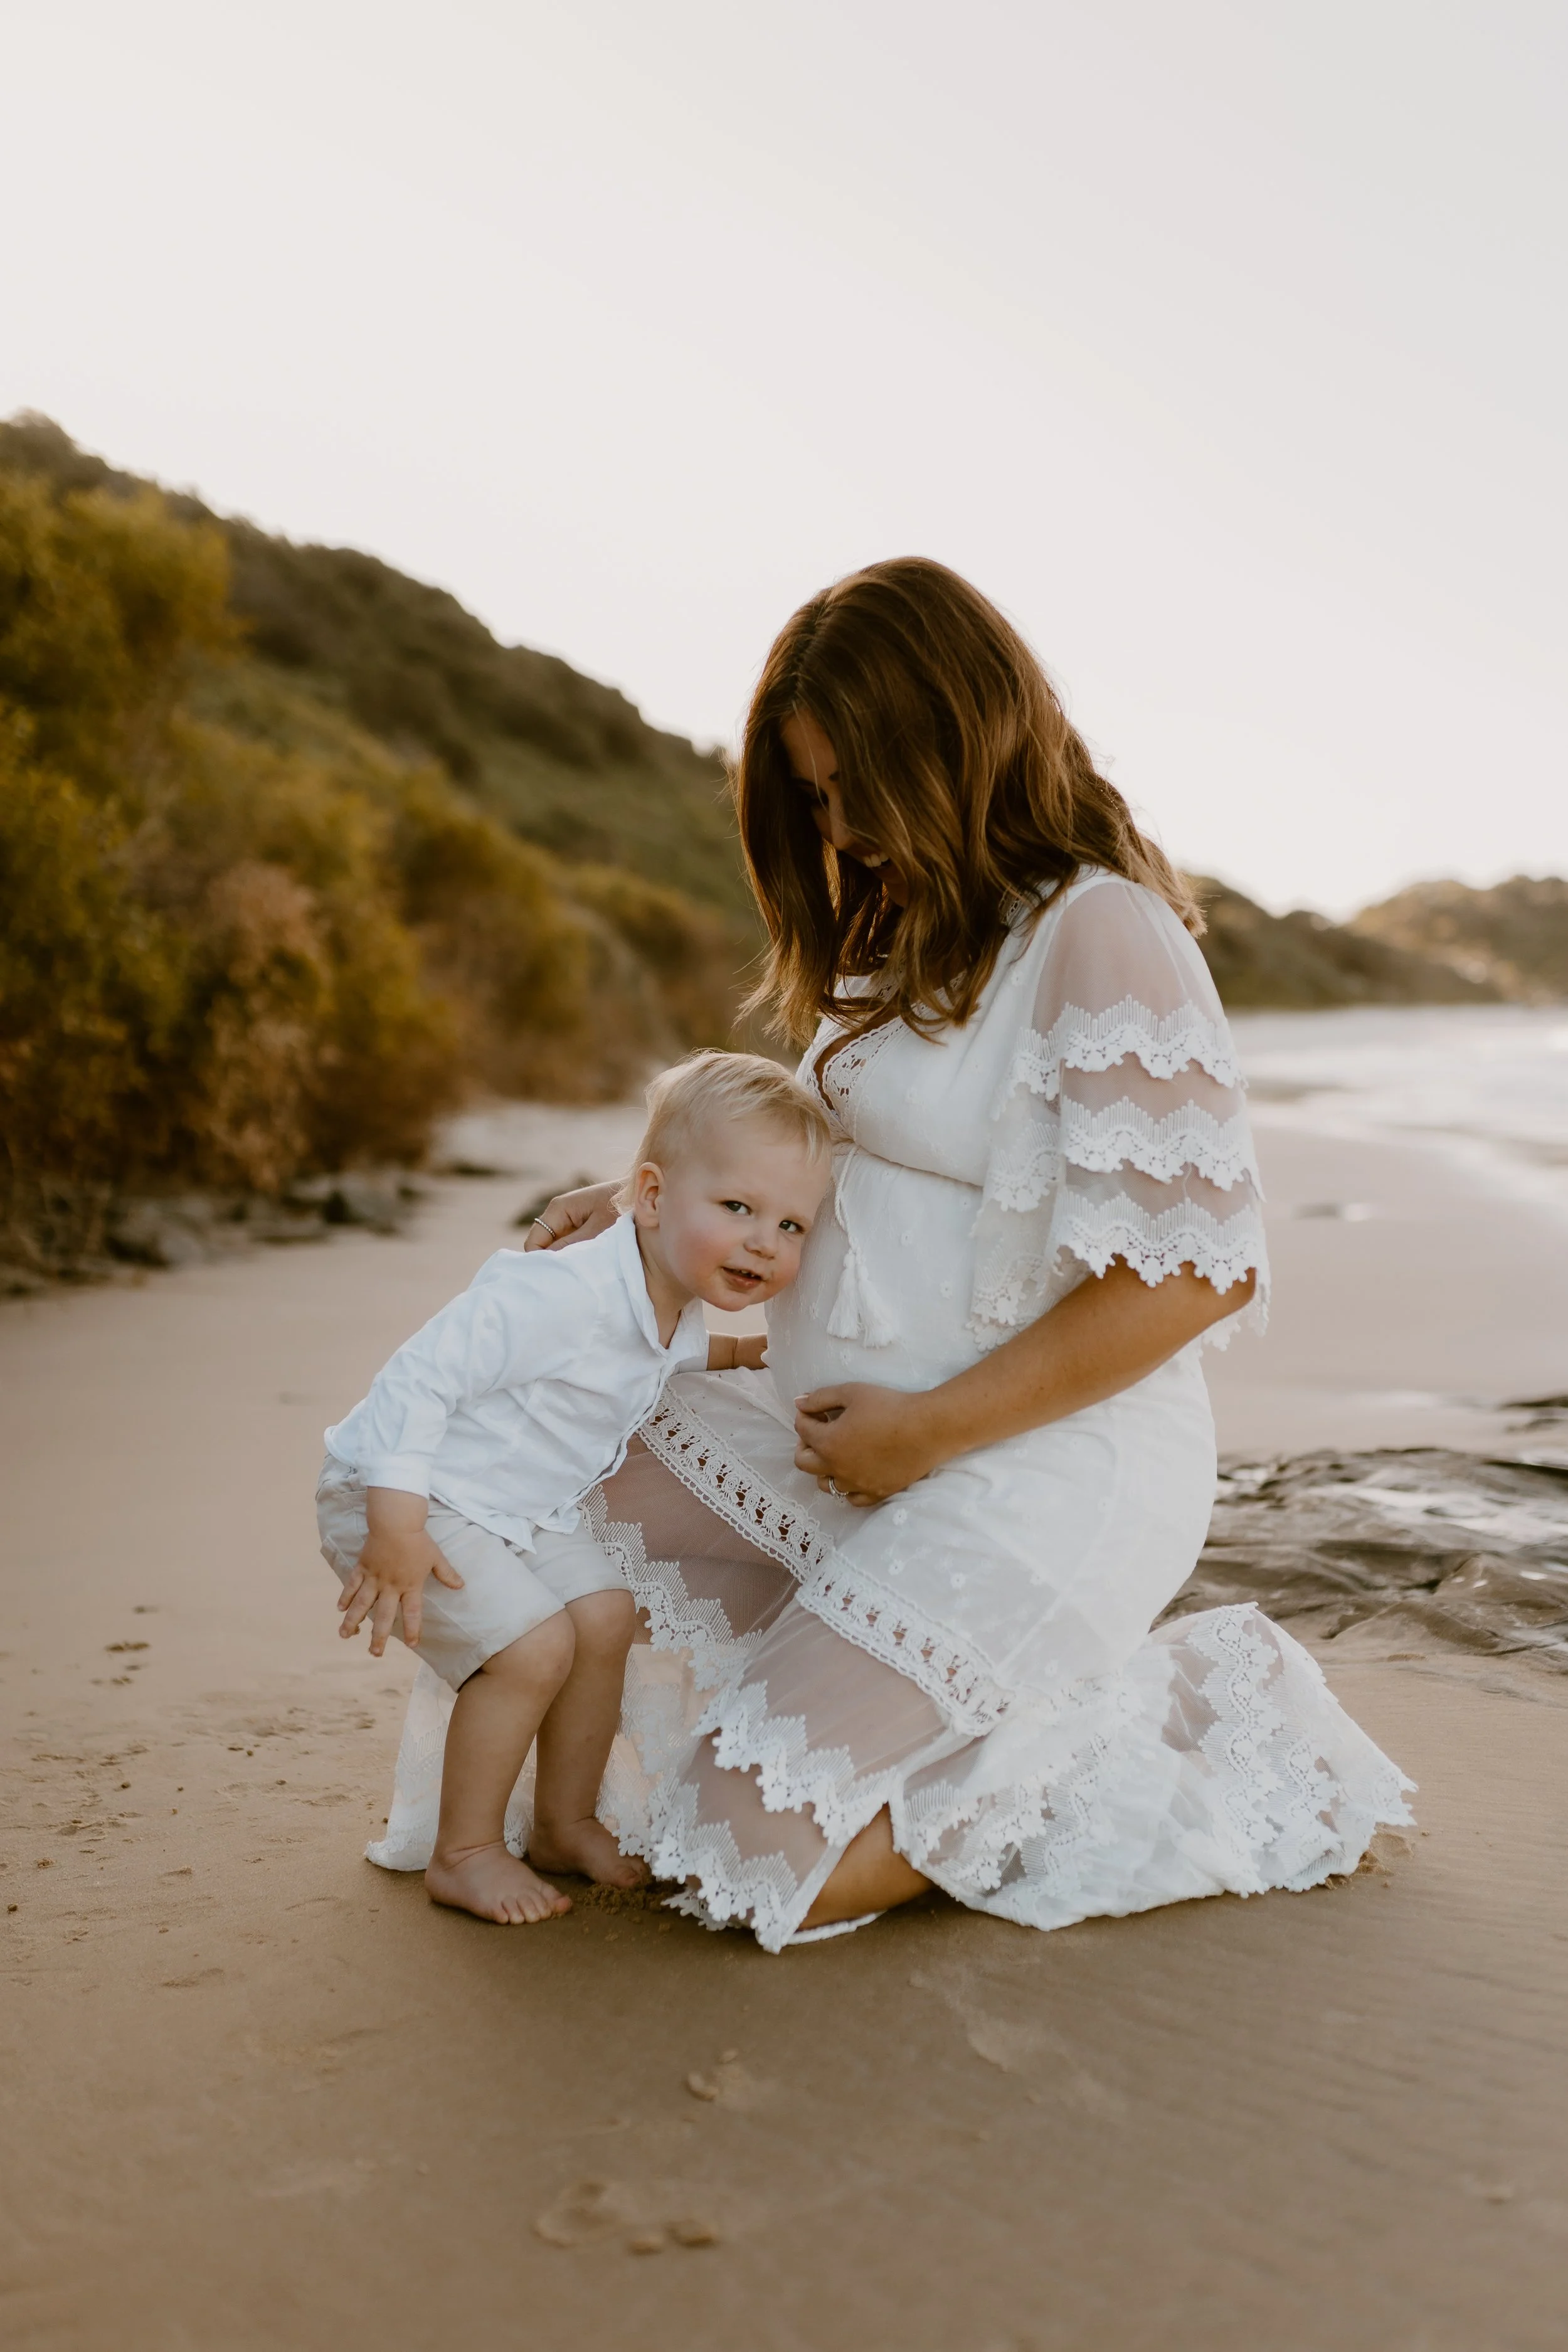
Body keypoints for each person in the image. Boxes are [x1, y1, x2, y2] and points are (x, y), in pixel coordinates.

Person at [375, 556, 1412, 1951]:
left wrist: (924, 1433)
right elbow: (838, 1162)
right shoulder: (901, 918)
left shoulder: (1100, 932)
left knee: (734, 1858)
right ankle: (864, 1676)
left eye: (854, 785)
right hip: (844, 1446)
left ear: (954, 739)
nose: (839, 827)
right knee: (549, 1463)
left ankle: (1171, 1723)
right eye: (811, 796)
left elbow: (1188, 1274)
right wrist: (659, 1201)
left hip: (1036, 1471)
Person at [317, 1051, 833, 1925]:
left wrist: (742, 1353)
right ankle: (466, 1850)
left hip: (512, 1504)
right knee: (532, 1649)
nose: (763, 1241)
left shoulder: (666, 1292)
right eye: (738, 1207)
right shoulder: (560, 1292)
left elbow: (654, 1349)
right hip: (406, 1488)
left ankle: (563, 1822)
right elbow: (419, 1378)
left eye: (791, 1226)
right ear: (653, 1194)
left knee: (602, 1615)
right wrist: (396, 1523)